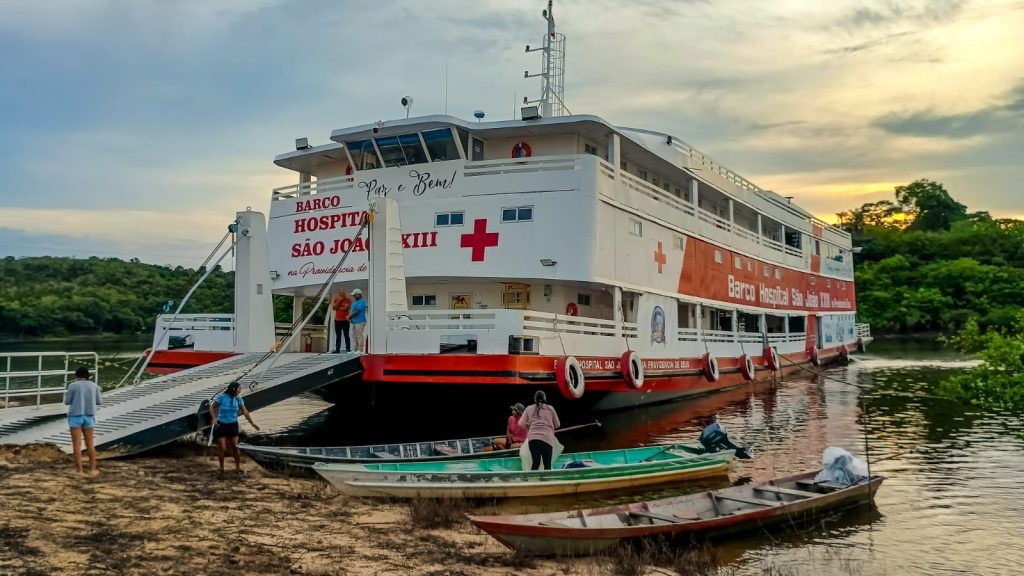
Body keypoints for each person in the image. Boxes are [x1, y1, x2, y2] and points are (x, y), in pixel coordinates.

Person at [209, 381, 260, 474]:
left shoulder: (239, 399)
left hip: (233, 425)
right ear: (233, 389)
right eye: (239, 388)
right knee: (222, 448)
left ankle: (237, 468)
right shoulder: (222, 397)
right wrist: (213, 418)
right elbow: (211, 408)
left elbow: (245, 412)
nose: (240, 390)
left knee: (235, 447)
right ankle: (221, 470)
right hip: (221, 424)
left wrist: (252, 423)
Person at [64, 366, 102, 475]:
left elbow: (67, 402)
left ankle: (79, 470)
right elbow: (99, 401)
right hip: (89, 416)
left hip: (75, 416)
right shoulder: (94, 386)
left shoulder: (72, 386)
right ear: (87, 375)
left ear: (76, 375)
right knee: (90, 443)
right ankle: (93, 469)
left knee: (77, 444)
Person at [518, 390, 560, 470]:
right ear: (545, 398)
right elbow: (557, 424)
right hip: (547, 438)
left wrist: (529, 428)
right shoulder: (550, 409)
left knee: (535, 462)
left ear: (535, 399)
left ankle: (533, 480)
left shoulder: (528, 408)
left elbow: (520, 423)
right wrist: (548, 427)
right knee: (547, 465)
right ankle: (547, 481)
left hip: (533, 439)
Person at [331, 288, 352, 353]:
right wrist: (340, 301)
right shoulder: (336, 299)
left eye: (343, 293)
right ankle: (337, 349)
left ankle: (348, 349)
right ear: (339, 293)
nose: (342, 294)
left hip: (345, 320)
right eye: (341, 293)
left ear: (345, 293)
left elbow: (346, 308)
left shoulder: (348, 300)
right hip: (337, 320)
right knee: (338, 336)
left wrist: (338, 307)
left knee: (346, 335)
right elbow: (334, 308)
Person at [349, 288, 367, 353]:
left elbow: (357, 312)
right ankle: (356, 349)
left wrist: (350, 317)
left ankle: (361, 349)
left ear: (359, 294)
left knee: (359, 336)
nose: (353, 296)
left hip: (360, 321)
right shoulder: (354, 302)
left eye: (355, 294)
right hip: (354, 321)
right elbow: (352, 311)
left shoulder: (362, 301)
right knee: (354, 336)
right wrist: (351, 318)